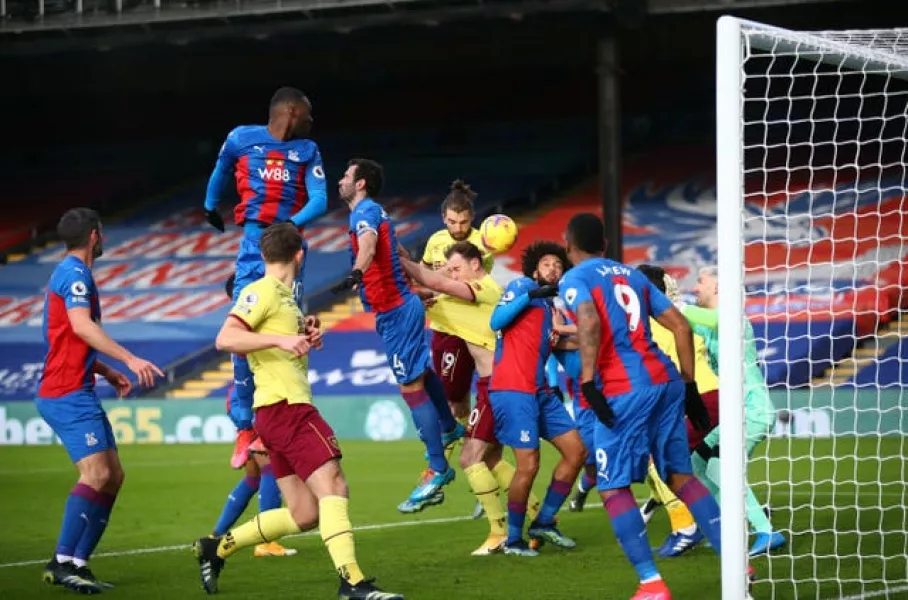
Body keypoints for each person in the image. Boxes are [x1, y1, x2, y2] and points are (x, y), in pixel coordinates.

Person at [193, 223, 402, 600]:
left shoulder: (287, 300)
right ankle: (352, 582)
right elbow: (225, 338)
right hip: (287, 407)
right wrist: (282, 337)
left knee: (305, 513)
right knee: (334, 486)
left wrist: (304, 333)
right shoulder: (262, 290)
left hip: (276, 413)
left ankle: (216, 547)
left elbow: (277, 340)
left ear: (264, 254)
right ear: (300, 255)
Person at [559, 213, 726, 600]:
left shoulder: (575, 278)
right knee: (681, 477)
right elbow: (681, 327)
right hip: (666, 381)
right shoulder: (632, 274)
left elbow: (588, 321)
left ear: (569, 244)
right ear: (603, 243)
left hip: (622, 389)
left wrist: (587, 380)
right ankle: (737, 565)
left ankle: (651, 583)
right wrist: (689, 386)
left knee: (613, 486)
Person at [37, 208, 164, 594]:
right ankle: (61, 561)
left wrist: (107, 372)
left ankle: (78, 562)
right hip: (65, 393)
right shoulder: (75, 274)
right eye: (102, 234)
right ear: (95, 236)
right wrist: (129, 358)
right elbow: (81, 326)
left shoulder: (72, 273)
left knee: (113, 477)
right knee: (96, 475)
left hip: (78, 387)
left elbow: (69, 339)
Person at [203, 86, 327, 471]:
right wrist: (210, 205)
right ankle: (245, 425)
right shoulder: (242, 139)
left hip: (288, 245)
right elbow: (220, 170)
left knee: (291, 323)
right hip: (252, 244)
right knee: (241, 325)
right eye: (308, 114)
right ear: (291, 112)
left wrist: (290, 226)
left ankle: (285, 410)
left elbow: (320, 199)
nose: (311, 121)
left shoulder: (308, 150)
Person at [332, 158, 464, 514]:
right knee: (420, 374)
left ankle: (438, 468)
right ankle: (449, 428)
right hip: (399, 306)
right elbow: (397, 253)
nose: (340, 180)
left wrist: (356, 272)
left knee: (410, 387)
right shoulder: (376, 211)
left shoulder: (364, 215)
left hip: (394, 310)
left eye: (346, 176)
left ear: (361, 184)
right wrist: (417, 289)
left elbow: (370, 246)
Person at [401, 240, 543, 555]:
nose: (452, 275)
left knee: (470, 458)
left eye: (456, 269)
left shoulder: (485, 288)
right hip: (490, 385)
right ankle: (542, 519)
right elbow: (428, 291)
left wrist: (407, 267)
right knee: (491, 458)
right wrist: (400, 262)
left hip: (499, 384)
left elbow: (434, 284)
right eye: (449, 270)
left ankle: (498, 532)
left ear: (476, 264)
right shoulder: (465, 297)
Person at [488, 241, 587, 557]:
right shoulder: (522, 286)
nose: (553, 269)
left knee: (577, 451)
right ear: (534, 269)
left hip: (541, 392)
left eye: (558, 265)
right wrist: (530, 295)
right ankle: (513, 540)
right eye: (547, 263)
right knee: (528, 465)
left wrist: (595, 341)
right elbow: (496, 321)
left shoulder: (553, 311)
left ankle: (544, 521)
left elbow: (563, 352)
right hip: (513, 390)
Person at [685, 266, 786, 556]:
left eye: (700, 282)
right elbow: (683, 325)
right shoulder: (707, 324)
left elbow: (704, 317)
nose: (695, 288)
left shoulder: (732, 318)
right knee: (699, 462)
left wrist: (676, 305)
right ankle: (728, 526)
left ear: (717, 287)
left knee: (723, 470)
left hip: (752, 410)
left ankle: (765, 531)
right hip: (734, 413)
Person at [633, 264, 720, 558]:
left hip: (699, 397)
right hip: (713, 394)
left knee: (662, 462)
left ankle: (685, 529)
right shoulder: (673, 315)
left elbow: (664, 370)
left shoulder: (656, 323)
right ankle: (741, 518)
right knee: (700, 467)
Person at [207, 274, 293, 557]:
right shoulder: (251, 326)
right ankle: (266, 542)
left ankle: (216, 535)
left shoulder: (240, 325)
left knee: (253, 478)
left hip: (240, 401)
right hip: (252, 404)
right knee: (271, 468)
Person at [420, 180, 495, 425]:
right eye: (452, 222)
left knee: (470, 390)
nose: (458, 227)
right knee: (454, 396)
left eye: (463, 222)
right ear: (444, 218)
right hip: (444, 325)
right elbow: (424, 273)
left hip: (472, 325)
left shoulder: (482, 244)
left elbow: (458, 282)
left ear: (472, 217)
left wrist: (433, 284)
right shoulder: (435, 241)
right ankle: (466, 449)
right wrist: (425, 293)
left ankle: (465, 450)